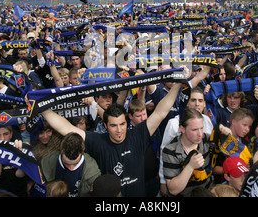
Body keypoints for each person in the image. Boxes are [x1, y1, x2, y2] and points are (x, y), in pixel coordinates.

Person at [39, 81, 183, 197]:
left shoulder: (138, 135)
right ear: (106, 126)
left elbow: (161, 112)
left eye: (122, 124)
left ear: (127, 122)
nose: (119, 130)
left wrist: (178, 84)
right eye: (113, 125)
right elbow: (66, 129)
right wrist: (42, 108)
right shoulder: (98, 142)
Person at [161, 108, 213, 196]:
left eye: (202, 128)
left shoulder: (207, 139)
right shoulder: (170, 151)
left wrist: (225, 132)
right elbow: (173, 190)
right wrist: (190, 166)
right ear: (182, 129)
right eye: (194, 130)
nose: (200, 134)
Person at [40, 132, 101, 197]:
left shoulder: (92, 171)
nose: (71, 168)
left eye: (75, 164)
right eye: (66, 164)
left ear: (82, 152)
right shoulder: (46, 163)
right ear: (60, 151)